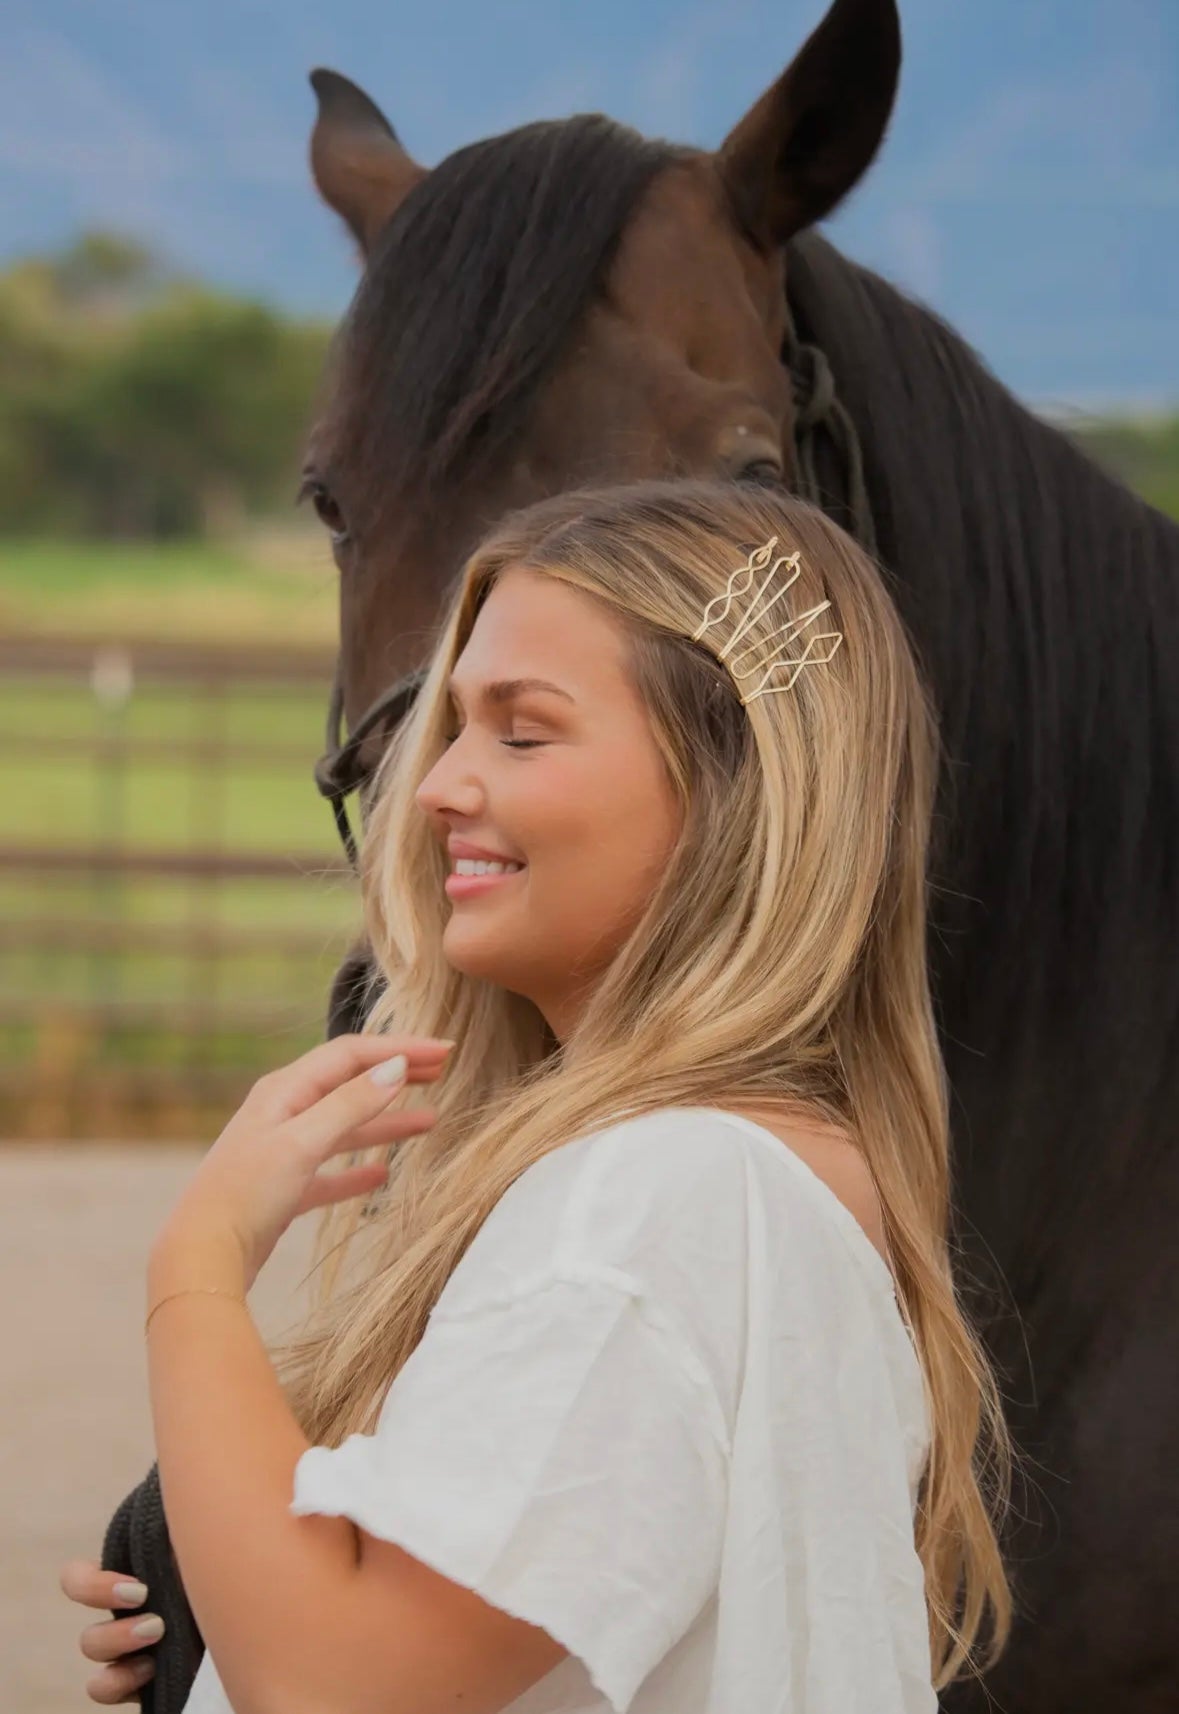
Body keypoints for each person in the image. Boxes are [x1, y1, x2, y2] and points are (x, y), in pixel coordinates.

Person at [62, 479, 1013, 1712]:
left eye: (522, 731)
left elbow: (336, 1684)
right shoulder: (765, 1182)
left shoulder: (659, 1197)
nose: (440, 784)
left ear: (735, 788)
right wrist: (228, 1581)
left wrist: (193, 1266)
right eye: (454, 725)